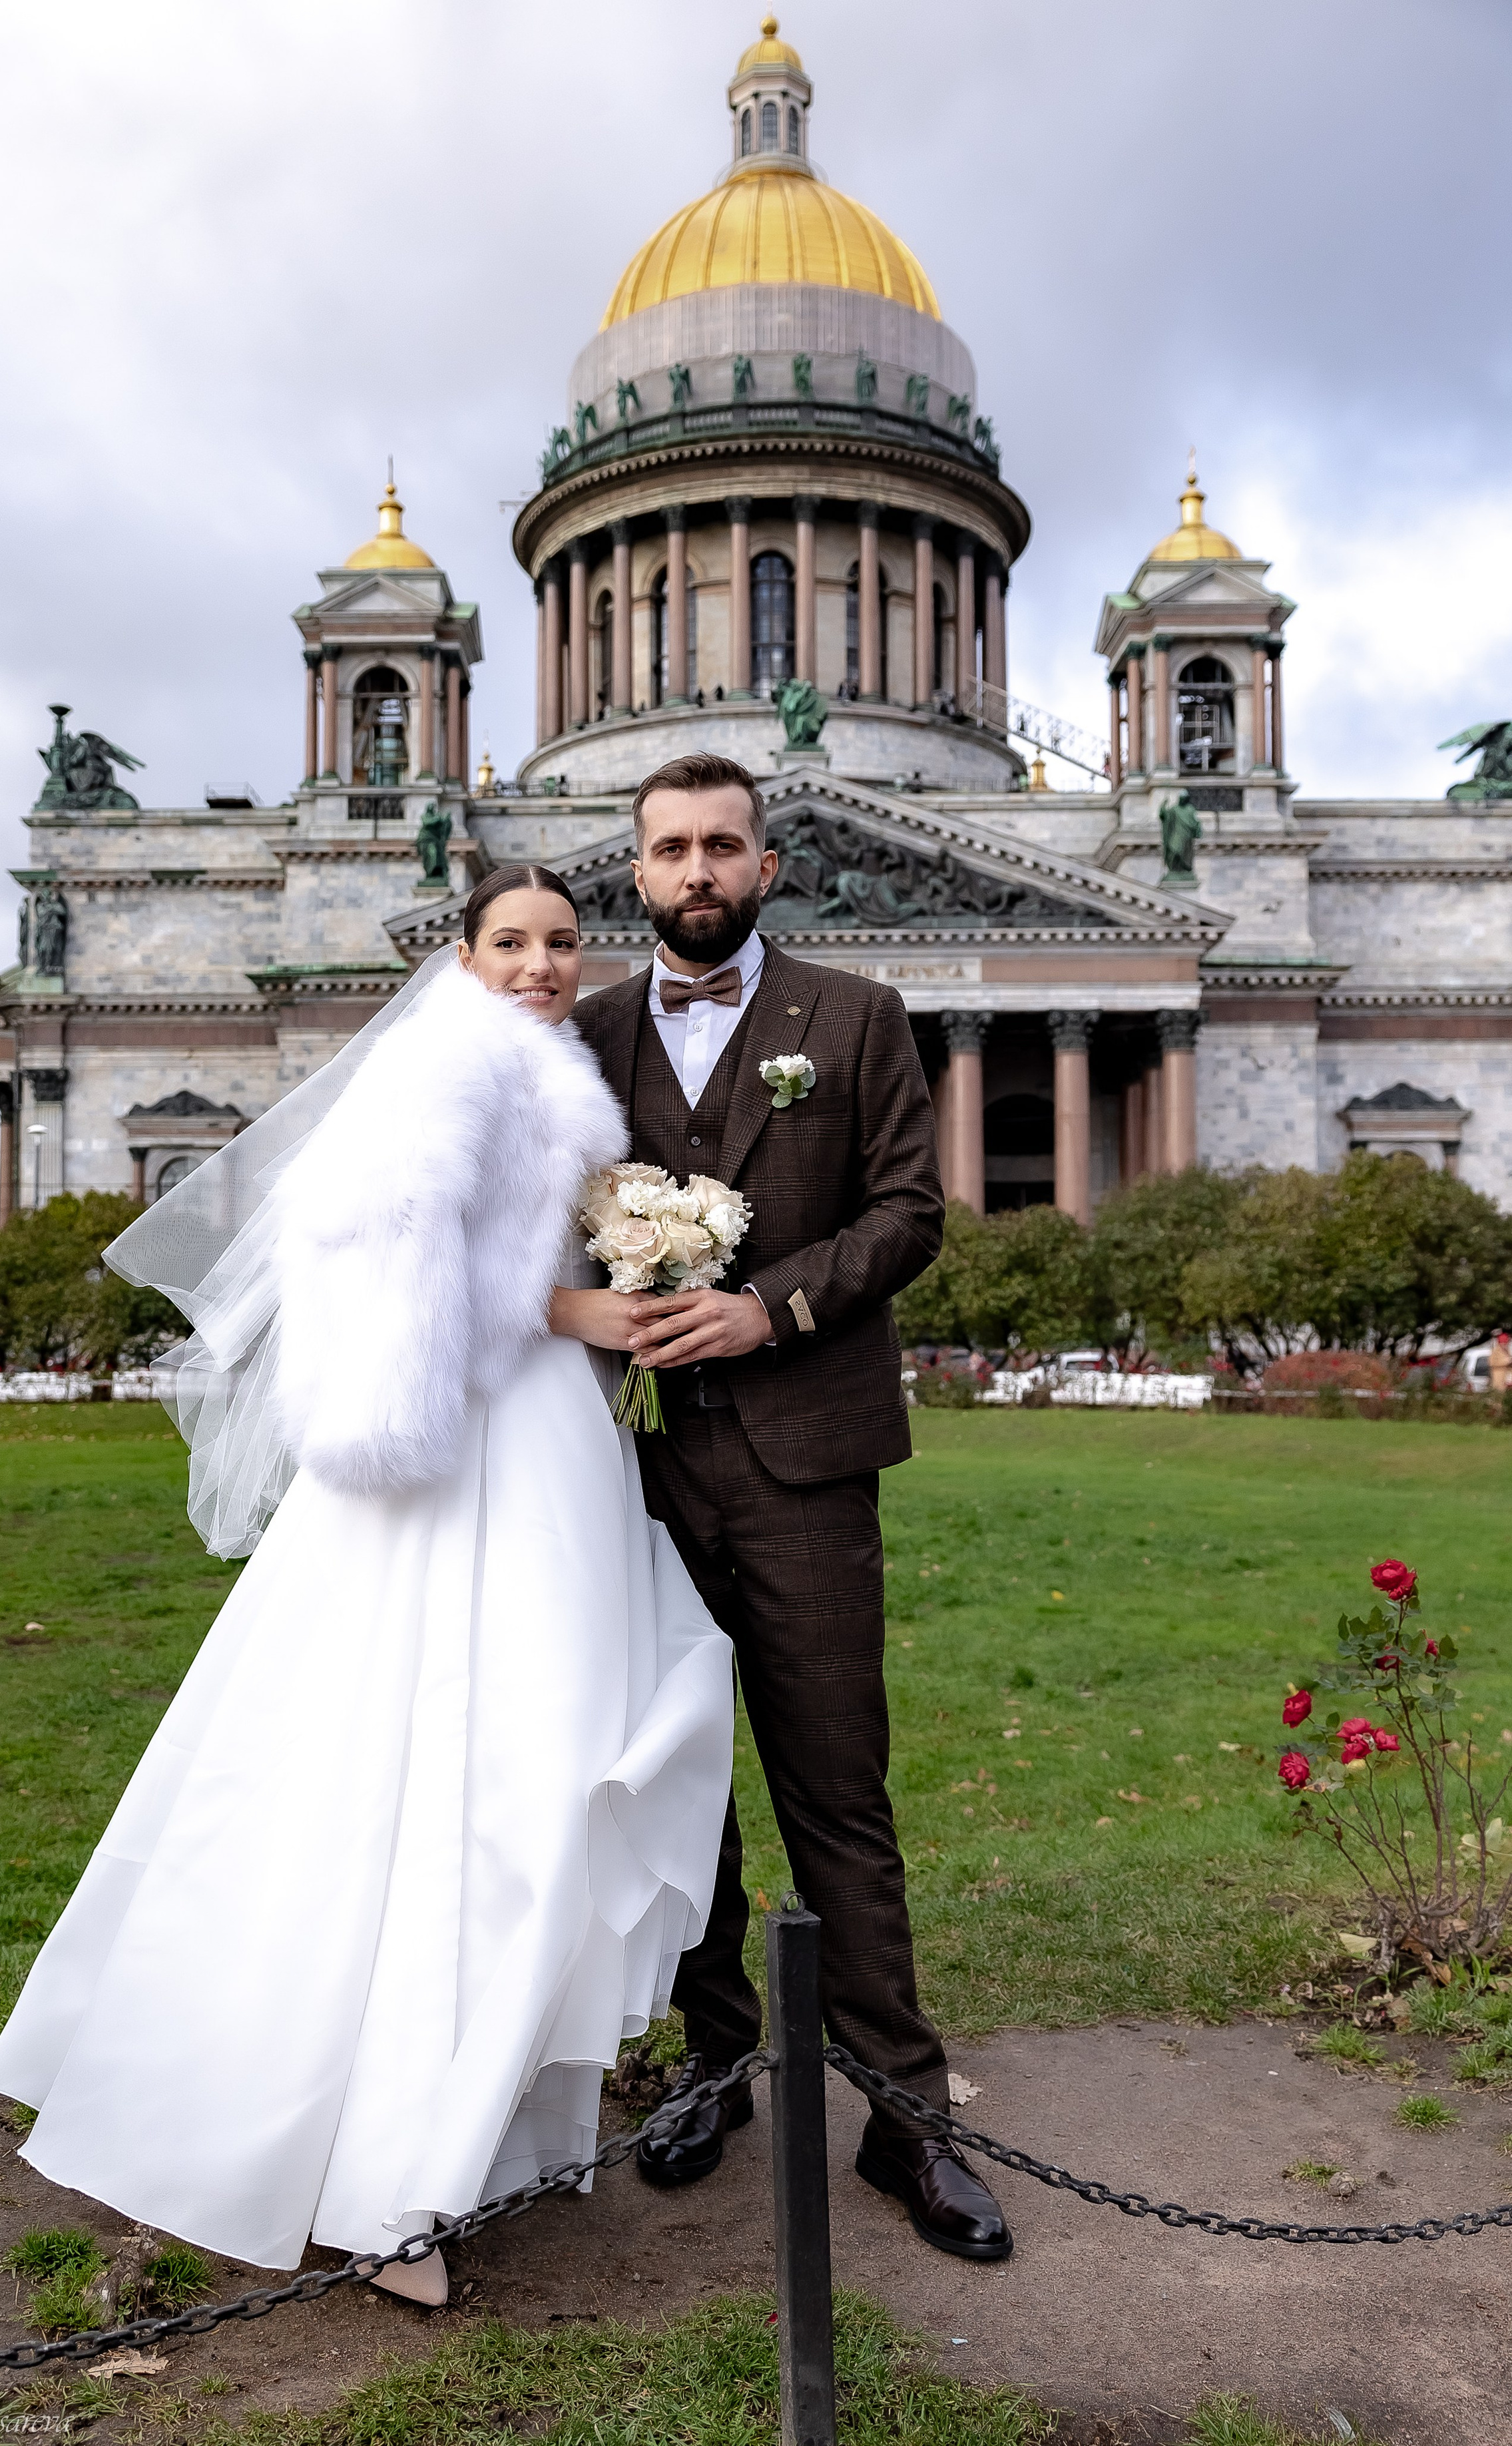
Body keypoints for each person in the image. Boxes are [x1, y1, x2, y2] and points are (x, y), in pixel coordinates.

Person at [0, 866, 734, 2306]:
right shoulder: (450, 1062)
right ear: (459, 955)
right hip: (468, 1455)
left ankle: (453, 2133)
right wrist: (575, 1301)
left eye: (561, 943)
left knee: (515, 1787)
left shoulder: (535, 1066)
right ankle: (391, 2175)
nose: (537, 965)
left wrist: (610, 1261)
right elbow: (395, 1270)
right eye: (508, 942)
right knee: (470, 1794)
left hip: (542, 1448)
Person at [566, 753, 1013, 2264]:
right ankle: (716, 2061)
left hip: (805, 1462)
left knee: (837, 1795)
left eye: (723, 847)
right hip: (624, 1469)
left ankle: (906, 2118)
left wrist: (770, 1310)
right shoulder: (581, 1032)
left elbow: (907, 1212)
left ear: (767, 865)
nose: (697, 871)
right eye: (671, 849)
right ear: (635, 870)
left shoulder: (856, 1014)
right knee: (676, 1786)